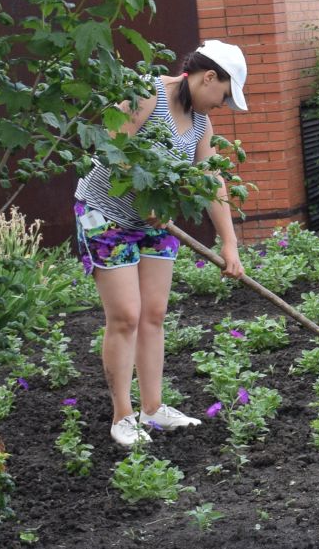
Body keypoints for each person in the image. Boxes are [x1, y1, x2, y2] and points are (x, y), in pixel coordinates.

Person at [75, 41, 250, 447]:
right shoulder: (145, 95)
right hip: (106, 214)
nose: (220, 105)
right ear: (208, 77)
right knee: (126, 316)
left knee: (153, 313)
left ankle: (152, 409)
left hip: (157, 218)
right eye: (223, 95)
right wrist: (145, 196)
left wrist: (230, 245)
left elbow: (211, 182)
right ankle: (123, 416)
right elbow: (111, 148)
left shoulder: (201, 124)